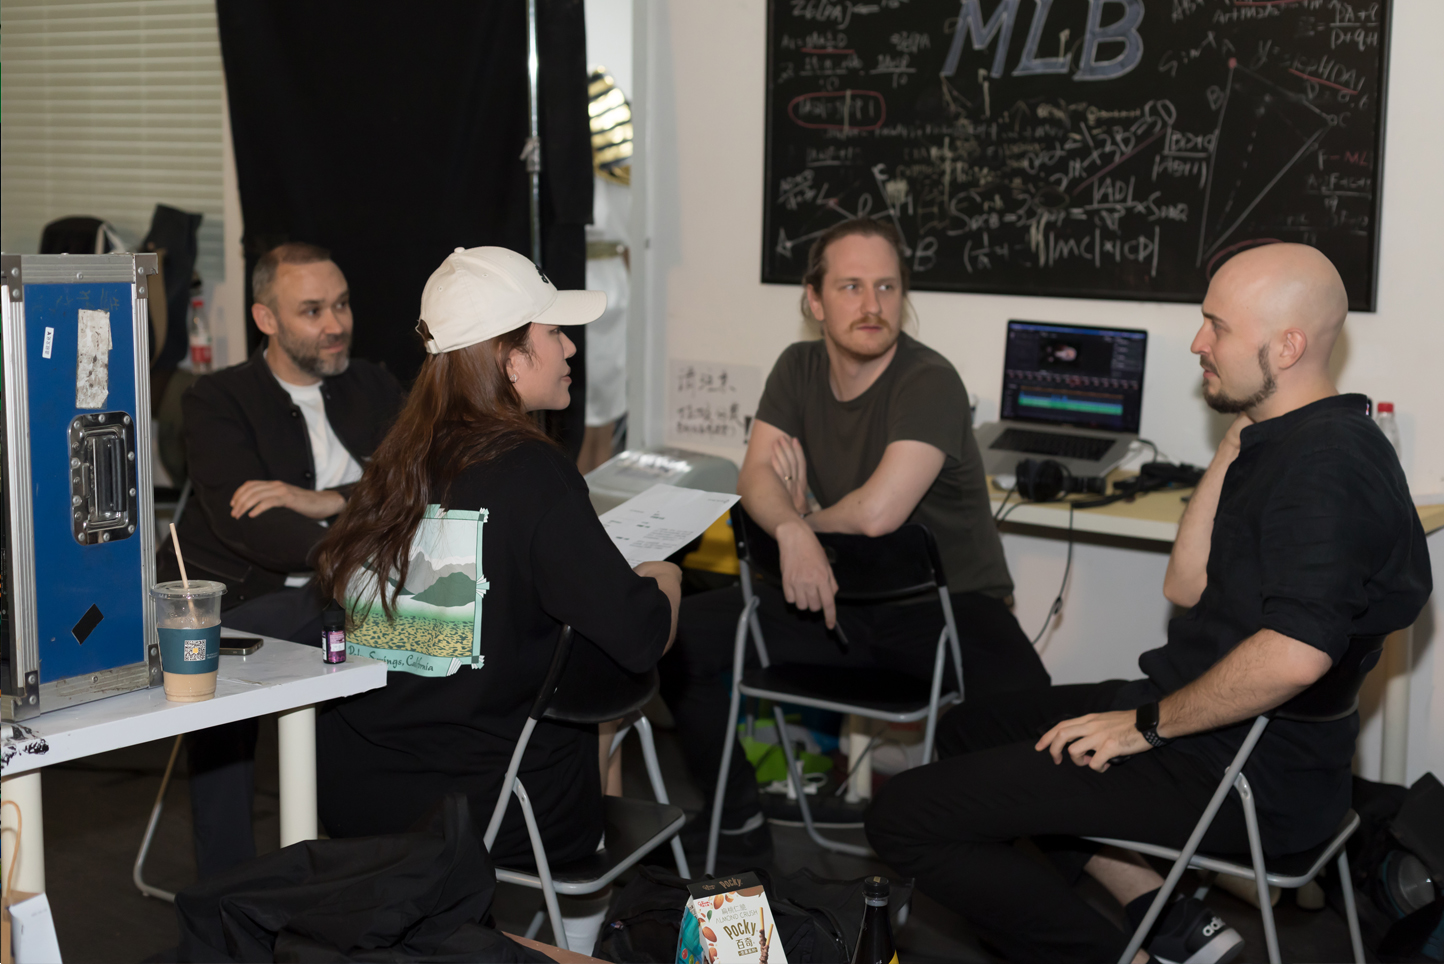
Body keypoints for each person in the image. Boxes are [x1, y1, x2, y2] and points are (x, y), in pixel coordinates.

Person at [864, 243, 1433, 964]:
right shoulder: (1289, 439)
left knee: (902, 817)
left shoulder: (1327, 466)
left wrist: (1146, 728)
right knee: (971, 727)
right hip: (1217, 735)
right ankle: (1159, 913)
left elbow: (1294, 656)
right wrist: (1236, 442)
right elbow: (1185, 587)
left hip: (1246, 774)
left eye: (1217, 327)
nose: (1198, 343)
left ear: (1287, 347)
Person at [660, 218, 1050, 860]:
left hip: (949, 616)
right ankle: (735, 818)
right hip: (838, 604)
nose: (872, 305)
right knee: (678, 635)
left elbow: (877, 514)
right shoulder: (798, 366)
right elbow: (754, 475)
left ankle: (1144, 899)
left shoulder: (930, 379)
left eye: (886, 287)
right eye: (850, 287)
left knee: (1048, 746)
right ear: (814, 301)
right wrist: (790, 527)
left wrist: (804, 523)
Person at [312, 245, 682, 870]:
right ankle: (593, 913)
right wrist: (664, 577)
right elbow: (640, 638)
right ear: (510, 359)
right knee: (606, 704)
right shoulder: (533, 472)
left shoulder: (390, 464)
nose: (571, 348)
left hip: (357, 796)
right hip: (489, 810)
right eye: (555, 332)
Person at [156, 242, 404, 881]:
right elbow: (252, 523)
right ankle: (228, 894)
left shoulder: (372, 385)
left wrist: (328, 499)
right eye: (313, 311)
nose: (336, 324)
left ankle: (386, 864)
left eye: (342, 305)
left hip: (345, 591)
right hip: (247, 594)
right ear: (266, 319)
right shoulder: (217, 399)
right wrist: (355, 548)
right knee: (218, 680)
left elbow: (416, 484)